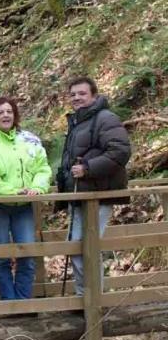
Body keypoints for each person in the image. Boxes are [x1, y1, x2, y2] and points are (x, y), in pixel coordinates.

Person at [57, 76, 130, 296]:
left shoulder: (105, 118)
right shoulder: (78, 122)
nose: (77, 98)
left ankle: (91, 299)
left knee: (85, 246)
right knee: (78, 246)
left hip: (98, 194)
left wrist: (88, 168)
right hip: (79, 194)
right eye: (73, 94)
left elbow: (120, 151)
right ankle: (86, 297)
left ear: (94, 96)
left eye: (82, 93)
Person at [0, 97, 52, 300]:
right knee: (1, 257)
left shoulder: (30, 139)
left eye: (9, 111)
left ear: (15, 115)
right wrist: (12, 191)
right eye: (1, 112)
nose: (5, 115)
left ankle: (22, 302)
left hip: (24, 208)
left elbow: (43, 168)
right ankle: (8, 303)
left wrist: (38, 188)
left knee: (27, 254)